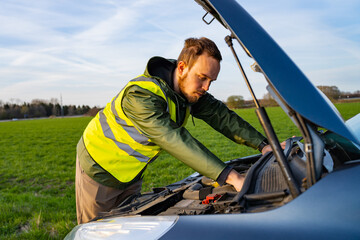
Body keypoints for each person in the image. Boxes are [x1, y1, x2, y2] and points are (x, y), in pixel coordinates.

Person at [75, 37, 272, 224]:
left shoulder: (187, 89)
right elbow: (174, 140)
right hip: (98, 169)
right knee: (97, 231)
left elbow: (222, 117)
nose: (206, 87)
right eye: (202, 78)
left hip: (131, 172)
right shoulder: (140, 96)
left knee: (127, 228)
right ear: (181, 68)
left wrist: (264, 145)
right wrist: (231, 177)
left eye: (211, 81)